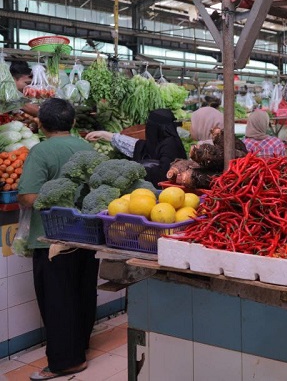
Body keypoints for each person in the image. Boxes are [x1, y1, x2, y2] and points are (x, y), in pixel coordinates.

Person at [18, 99, 97, 380]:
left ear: (41, 123)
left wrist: (55, 197)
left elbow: (27, 196)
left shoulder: (40, 152)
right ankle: (80, 346)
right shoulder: (86, 147)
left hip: (52, 238)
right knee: (82, 292)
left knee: (57, 300)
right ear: (73, 123)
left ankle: (66, 362)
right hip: (87, 234)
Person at [86, 109, 187, 185]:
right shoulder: (161, 143)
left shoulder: (170, 146)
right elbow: (134, 145)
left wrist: (134, 170)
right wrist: (104, 134)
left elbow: (164, 173)